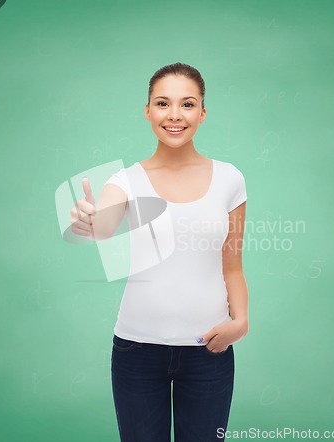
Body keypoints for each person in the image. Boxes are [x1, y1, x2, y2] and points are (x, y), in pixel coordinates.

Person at [71, 62, 249, 442]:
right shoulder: (125, 181)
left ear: (202, 112)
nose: (174, 115)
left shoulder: (230, 179)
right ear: (148, 111)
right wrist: (89, 221)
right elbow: (103, 225)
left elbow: (232, 265)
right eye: (163, 103)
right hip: (137, 353)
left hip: (209, 352)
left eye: (187, 104)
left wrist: (242, 320)